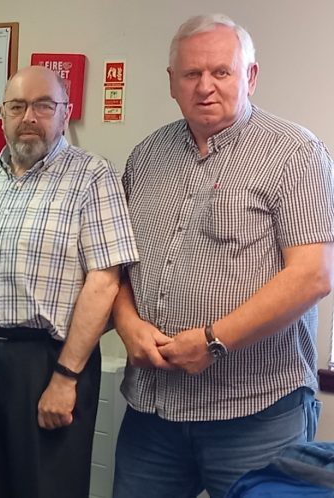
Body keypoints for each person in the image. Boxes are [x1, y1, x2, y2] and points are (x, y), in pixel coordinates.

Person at [112, 14, 334, 498]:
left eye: (221, 72)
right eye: (191, 74)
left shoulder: (294, 152)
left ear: (249, 76)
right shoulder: (146, 156)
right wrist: (128, 325)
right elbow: (118, 266)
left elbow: (313, 275)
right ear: (172, 83)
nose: (205, 87)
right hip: (154, 413)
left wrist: (214, 342)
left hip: (257, 414)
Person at [0, 65, 138, 498]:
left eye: (44, 105)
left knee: (48, 489)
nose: (29, 116)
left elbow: (105, 281)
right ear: (2, 113)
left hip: (48, 362)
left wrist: (65, 377)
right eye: (18, 105)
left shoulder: (92, 176)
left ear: (65, 112)